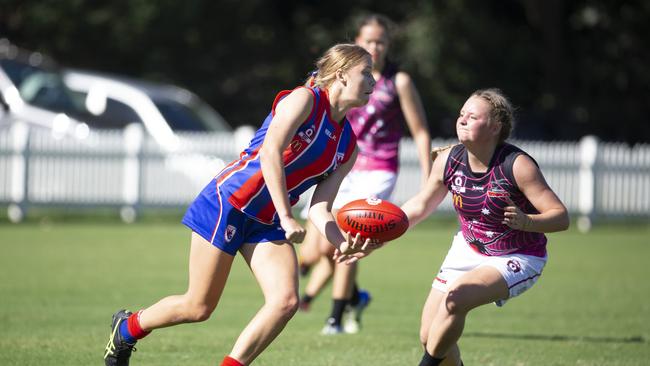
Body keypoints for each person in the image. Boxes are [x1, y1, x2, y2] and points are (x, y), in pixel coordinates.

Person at [102, 43, 379, 366]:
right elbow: (270, 152)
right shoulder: (304, 99)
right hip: (228, 202)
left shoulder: (349, 146)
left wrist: (343, 243)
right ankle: (128, 327)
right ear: (342, 75)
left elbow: (320, 207)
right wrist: (287, 217)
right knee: (198, 307)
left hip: (267, 220)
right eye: (367, 73)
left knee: (286, 301)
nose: (374, 82)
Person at [400, 88, 570, 365]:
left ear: (495, 126)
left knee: (457, 299)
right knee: (429, 334)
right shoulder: (448, 160)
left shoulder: (517, 165)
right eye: (461, 114)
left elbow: (560, 217)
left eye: (473, 116)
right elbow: (420, 206)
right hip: (468, 248)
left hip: (516, 256)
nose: (463, 120)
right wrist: (379, 232)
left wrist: (528, 221)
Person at [297, 13, 432, 335]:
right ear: (356, 42)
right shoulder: (343, 78)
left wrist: (430, 183)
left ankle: (335, 318)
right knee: (314, 251)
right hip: (341, 163)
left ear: (388, 44)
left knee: (348, 236)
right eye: (369, 40)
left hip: (378, 171)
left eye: (381, 41)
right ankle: (358, 298)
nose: (375, 46)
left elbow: (421, 131)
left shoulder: (398, 81)